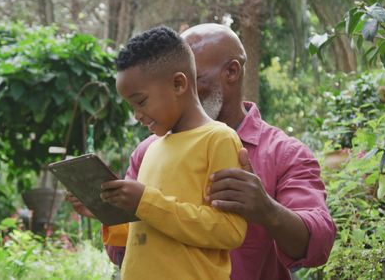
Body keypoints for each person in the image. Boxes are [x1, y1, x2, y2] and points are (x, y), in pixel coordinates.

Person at [69, 23, 336, 280]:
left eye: (195, 78)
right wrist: (109, 211)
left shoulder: (283, 153)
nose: (188, 91)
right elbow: (132, 251)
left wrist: (267, 210)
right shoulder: (147, 151)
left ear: (231, 72)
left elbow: (320, 245)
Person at [99, 26, 247, 279]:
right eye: (131, 106)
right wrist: (105, 208)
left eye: (141, 101)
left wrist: (145, 201)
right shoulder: (152, 149)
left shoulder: (218, 139)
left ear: (179, 83)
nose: (136, 115)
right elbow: (151, 228)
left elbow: (229, 230)